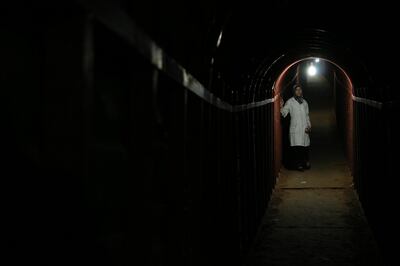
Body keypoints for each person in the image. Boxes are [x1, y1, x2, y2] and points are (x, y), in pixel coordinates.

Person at [280, 84, 311, 171]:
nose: (299, 91)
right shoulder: (290, 102)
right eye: (297, 90)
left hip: (304, 128)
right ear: (294, 91)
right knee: (297, 148)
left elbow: (307, 115)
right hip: (295, 129)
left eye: (300, 90)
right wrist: (281, 106)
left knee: (305, 147)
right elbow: (284, 112)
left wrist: (309, 126)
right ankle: (299, 165)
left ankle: (305, 162)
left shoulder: (305, 102)